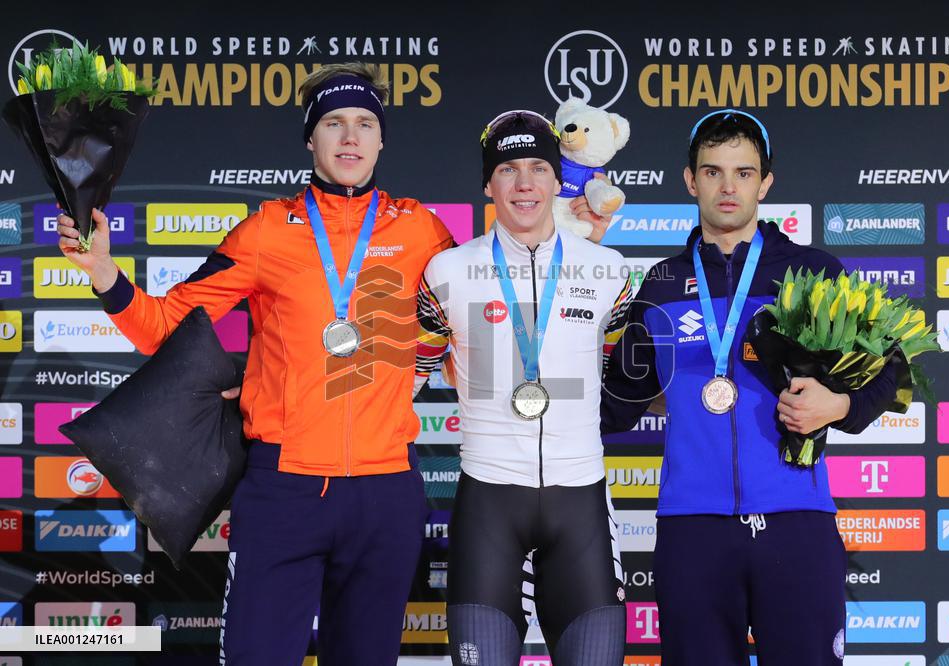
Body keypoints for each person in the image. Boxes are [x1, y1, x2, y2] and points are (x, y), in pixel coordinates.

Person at [57, 62, 453, 666]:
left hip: (386, 494)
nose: (350, 137)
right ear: (310, 138)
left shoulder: (423, 231)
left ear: (381, 139)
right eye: (334, 123)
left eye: (365, 123)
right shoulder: (268, 231)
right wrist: (105, 274)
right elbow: (165, 325)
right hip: (285, 493)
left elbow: (491, 301)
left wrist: (571, 229)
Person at [600, 109, 899, 666]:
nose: (728, 186)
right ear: (690, 181)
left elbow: (893, 365)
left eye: (743, 172)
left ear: (766, 182)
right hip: (692, 527)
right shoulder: (660, 283)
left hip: (796, 519)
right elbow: (615, 401)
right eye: (713, 172)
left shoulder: (812, 273)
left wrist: (840, 405)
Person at [414, 110, 631, 665]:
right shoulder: (446, 272)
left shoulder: (609, 271)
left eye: (538, 167)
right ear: (488, 184)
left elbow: (624, 381)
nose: (525, 183)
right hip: (489, 500)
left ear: (561, 179)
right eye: (508, 169)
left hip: (580, 500)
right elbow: (406, 380)